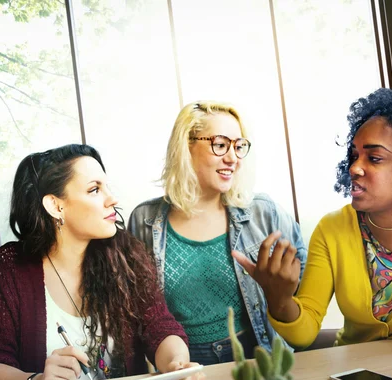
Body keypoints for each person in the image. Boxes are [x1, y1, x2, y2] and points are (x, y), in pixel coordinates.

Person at [0, 144, 205, 380]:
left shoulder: (126, 253)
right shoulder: (10, 266)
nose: (112, 199)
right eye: (94, 189)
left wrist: (177, 367)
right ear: (55, 206)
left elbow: (160, 328)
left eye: (106, 187)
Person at [234, 88, 392, 349]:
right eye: (354, 156)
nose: (354, 167)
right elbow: (303, 333)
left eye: (374, 158)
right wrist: (280, 298)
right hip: (362, 379)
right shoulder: (333, 229)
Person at [128, 101, 307, 364]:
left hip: (258, 357)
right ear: (186, 148)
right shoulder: (144, 221)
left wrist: (281, 294)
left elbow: (305, 294)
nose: (233, 158)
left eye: (238, 146)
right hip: (185, 365)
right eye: (221, 145)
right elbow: (140, 313)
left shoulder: (264, 213)